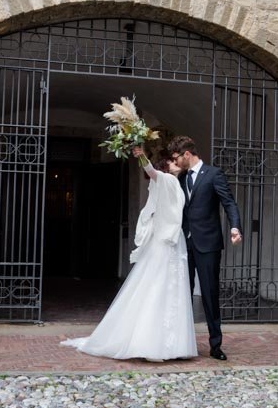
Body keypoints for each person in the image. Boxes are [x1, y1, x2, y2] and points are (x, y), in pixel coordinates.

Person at [62, 148, 198, 361]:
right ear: (166, 167)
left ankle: (169, 343)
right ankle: (155, 343)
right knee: (159, 287)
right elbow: (151, 171)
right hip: (165, 243)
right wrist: (143, 157)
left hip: (171, 240)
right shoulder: (166, 180)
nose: (176, 163)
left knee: (170, 288)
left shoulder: (172, 183)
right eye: (172, 161)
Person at [168, 136, 242, 361]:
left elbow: (229, 202)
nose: (175, 162)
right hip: (184, 243)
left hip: (208, 244)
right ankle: (182, 343)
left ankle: (215, 345)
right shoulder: (180, 178)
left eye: (176, 157)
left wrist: (235, 227)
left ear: (187, 154)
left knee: (210, 293)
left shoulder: (213, 174)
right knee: (183, 293)